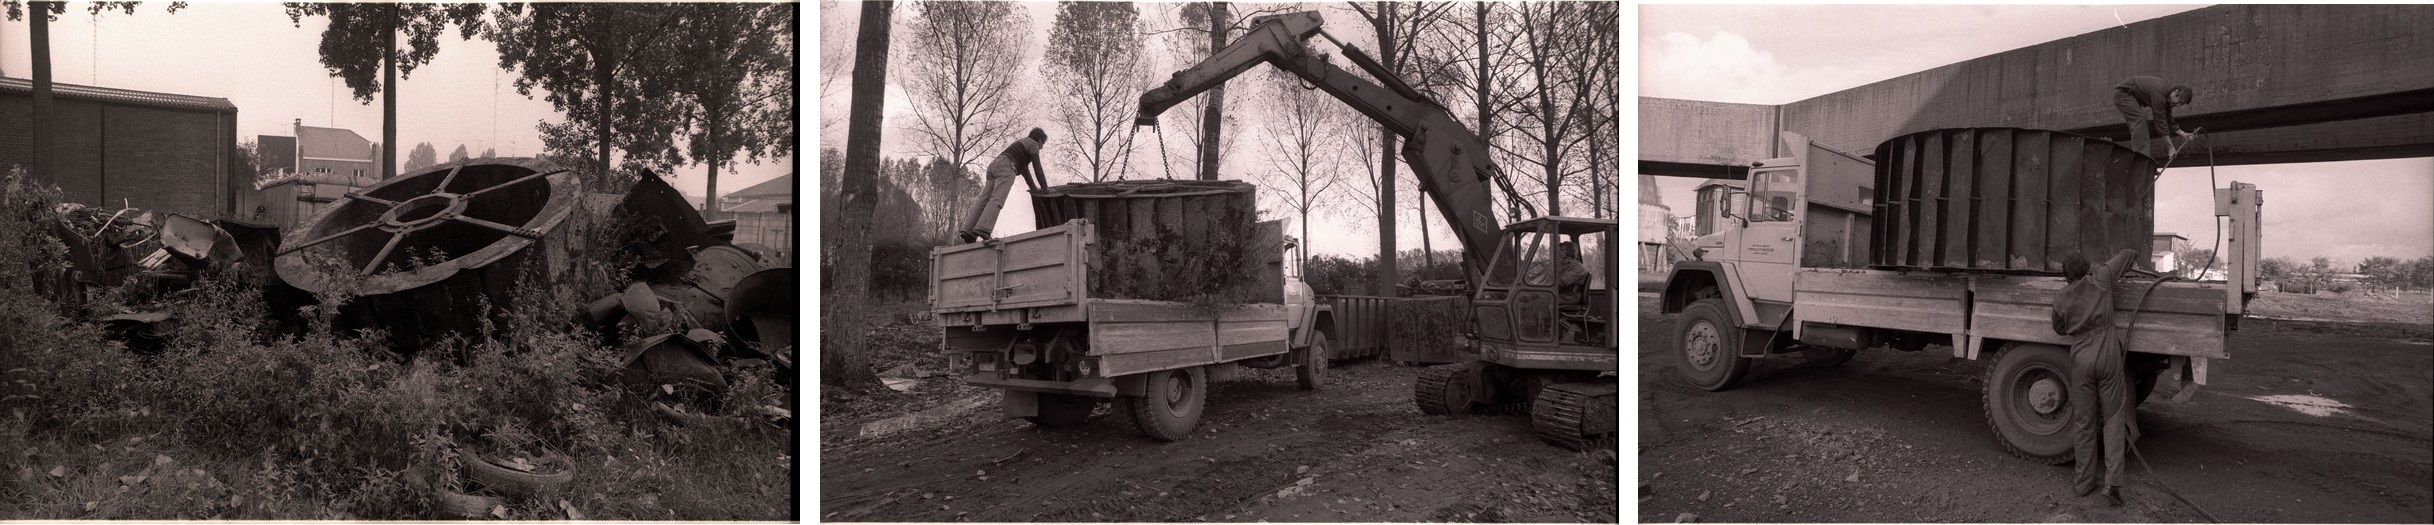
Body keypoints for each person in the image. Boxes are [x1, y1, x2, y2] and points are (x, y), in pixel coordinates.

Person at [2052, 248, 2142, 506]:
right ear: (2088, 268)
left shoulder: (2060, 298)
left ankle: (2083, 483)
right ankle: (2113, 483)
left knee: (2084, 422)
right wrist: (2132, 255)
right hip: (2107, 353)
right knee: (2113, 418)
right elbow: (2126, 254)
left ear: (2065, 276)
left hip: (2081, 357)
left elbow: (2058, 328)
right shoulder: (2101, 279)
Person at [959, 128, 1050, 243]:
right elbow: (1038, 168)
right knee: (997, 199)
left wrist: (1033, 188)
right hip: (1007, 167)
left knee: (983, 199)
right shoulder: (1033, 145)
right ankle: (983, 229)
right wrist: (1045, 188)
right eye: (1042, 144)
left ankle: (968, 231)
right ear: (1040, 140)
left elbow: (1025, 171)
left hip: (994, 165)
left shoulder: (1020, 143)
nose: (1041, 148)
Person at [2114, 76, 2195, 161]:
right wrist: (2170, 147)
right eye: (2179, 101)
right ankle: (2141, 158)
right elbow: (2160, 123)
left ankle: (2141, 157)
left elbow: (2168, 120)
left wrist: (2182, 133)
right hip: (2123, 94)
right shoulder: (2159, 95)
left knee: (2140, 121)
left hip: (2134, 97)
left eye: (2180, 104)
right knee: (2140, 119)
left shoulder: (2167, 99)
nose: (2177, 105)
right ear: (2175, 92)